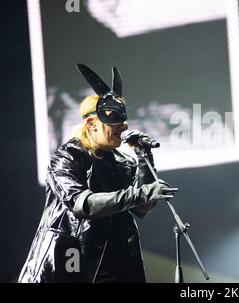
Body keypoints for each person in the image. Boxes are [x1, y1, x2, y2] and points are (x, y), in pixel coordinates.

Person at [19, 64, 174, 283]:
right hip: (72, 267)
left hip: (116, 268)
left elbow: (143, 209)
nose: (124, 125)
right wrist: (140, 194)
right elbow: (83, 205)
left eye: (124, 118)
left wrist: (144, 158)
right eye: (114, 118)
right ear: (92, 124)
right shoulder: (67, 157)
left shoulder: (123, 163)